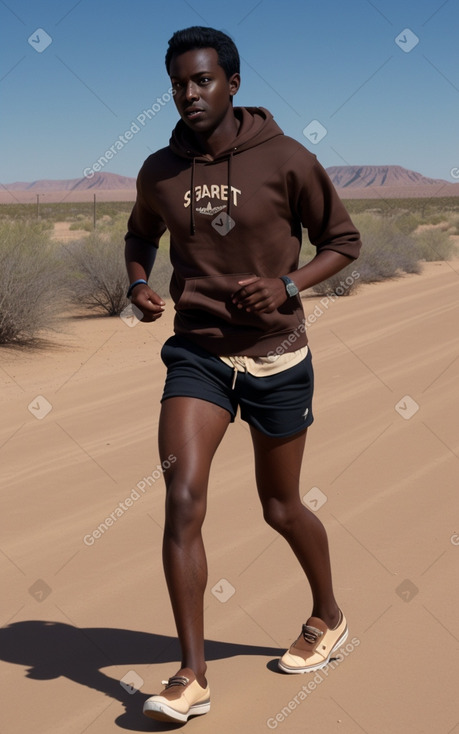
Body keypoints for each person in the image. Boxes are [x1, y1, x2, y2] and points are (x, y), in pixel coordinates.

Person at [124, 26, 361, 724]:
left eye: (201, 80)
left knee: (280, 507)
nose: (188, 94)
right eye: (177, 83)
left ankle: (328, 615)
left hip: (277, 357)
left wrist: (289, 285)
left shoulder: (285, 158)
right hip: (197, 354)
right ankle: (191, 676)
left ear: (231, 82)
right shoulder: (159, 168)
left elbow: (343, 242)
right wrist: (138, 281)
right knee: (183, 497)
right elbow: (140, 233)